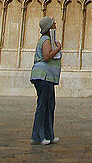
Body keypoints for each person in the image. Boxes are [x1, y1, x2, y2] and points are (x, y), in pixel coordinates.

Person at [30, 15, 62, 145]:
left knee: (49, 105)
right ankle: (38, 136)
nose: (55, 25)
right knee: (43, 106)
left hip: (47, 78)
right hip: (43, 77)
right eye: (53, 23)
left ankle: (48, 134)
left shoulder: (48, 39)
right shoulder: (46, 40)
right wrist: (58, 49)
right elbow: (47, 56)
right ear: (49, 27)